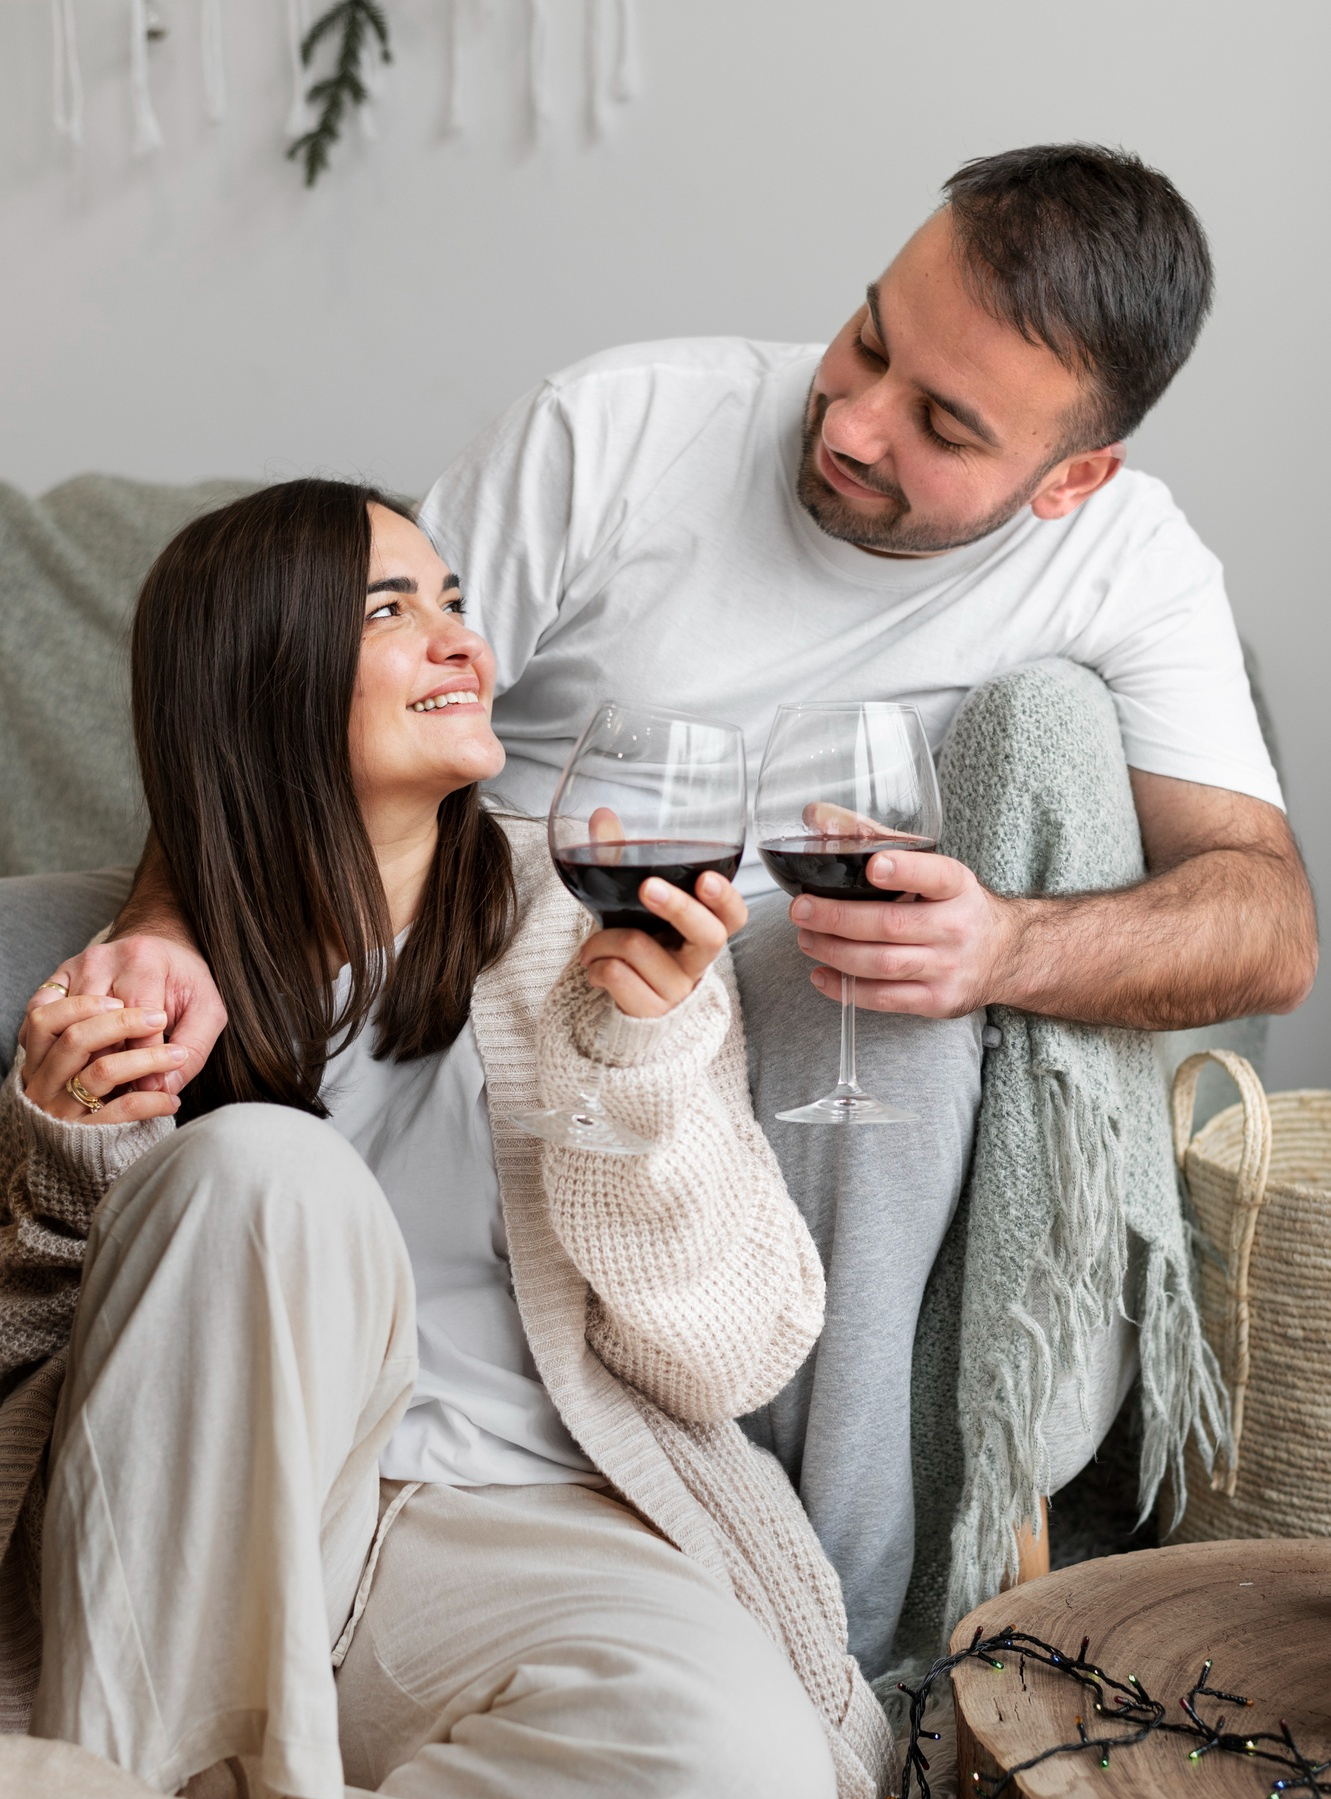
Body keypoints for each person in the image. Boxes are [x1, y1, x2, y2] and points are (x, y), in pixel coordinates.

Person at [47, 145, 1318, 1674]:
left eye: (941, 424)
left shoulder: (1134, 568)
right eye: (868, 337)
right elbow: (322, 690)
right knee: (32, 962)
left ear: (1070, 480)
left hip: (714, 1023)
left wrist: (1006, 945)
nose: (850, 421)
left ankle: (842, 1646)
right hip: (438, 922)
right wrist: (169, 924)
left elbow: (1265, 925)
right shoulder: (622, 428)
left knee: (897, 1019)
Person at [3, 480, 894, 1799]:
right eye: (389, 608)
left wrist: (641, 1071)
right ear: (259, 668)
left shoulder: (599, 936)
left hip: (523, 1543)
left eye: (457, 600)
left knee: (740, 1794)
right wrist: (61, 1159)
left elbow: (735, 1353)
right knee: (263, 1176)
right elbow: (35, 1380)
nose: (462, 642)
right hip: (225, 1545)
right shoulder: (123, 993)